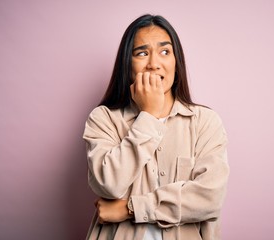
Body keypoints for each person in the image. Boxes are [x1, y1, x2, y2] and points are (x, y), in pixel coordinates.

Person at [83, 14, 229, 240]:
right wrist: (148, 115)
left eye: (164, 52)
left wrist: (130, 209)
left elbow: (210, 199)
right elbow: (109, 185)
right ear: (127, 65)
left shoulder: (205, 122)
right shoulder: (103, 119)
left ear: (176, 62)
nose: (153, 63)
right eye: (141, 53)